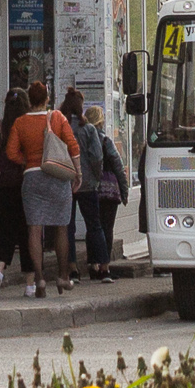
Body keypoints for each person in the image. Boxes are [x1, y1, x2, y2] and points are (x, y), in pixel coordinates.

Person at [5, 81, 82, 297]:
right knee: (61, 226)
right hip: (57, 176)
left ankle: (39, 279)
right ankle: (62, 276)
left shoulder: (20, 123)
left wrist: (28, 161)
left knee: (34, 229)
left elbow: (11, 153)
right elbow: (73, 146)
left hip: (32, 178)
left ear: (29, 100)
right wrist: (78, 173)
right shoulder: (57, 118)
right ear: (47, 98)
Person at [0, 88, 34, 297]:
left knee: (3, 232)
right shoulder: (29, 127)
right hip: (26, 186)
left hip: (3, 188)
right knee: (27, 235)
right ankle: (30, 285)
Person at [60, 88, 106, 283]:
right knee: (94, 225)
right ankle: (102, 267)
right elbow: (97, 157)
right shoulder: (88, 129)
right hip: (87, 183)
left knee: (67, 227)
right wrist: (97, 178)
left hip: (65, 182)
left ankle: (72, 268)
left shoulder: (59, 127)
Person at [85, 106, 127, 283]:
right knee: (106, 228)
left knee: (93, 228)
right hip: (109, 190)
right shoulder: (105, 141)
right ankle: (105, 266)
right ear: (101, 121)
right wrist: (124, 191)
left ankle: (93, 265)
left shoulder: (82, 139)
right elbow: (118, 166)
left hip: (88, 189)